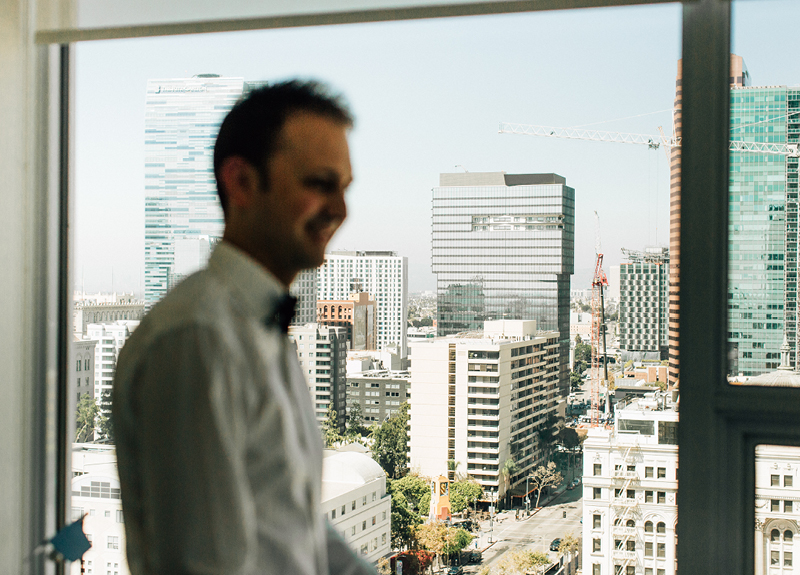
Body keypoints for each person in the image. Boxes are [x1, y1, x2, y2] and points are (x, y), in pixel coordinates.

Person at [113, 80, 375, 575]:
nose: (342, 210)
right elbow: (205, 565)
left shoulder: (259, 326)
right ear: (241, 182)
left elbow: (290, 525)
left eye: (344, 188)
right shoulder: (197, 340)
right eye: (320, 184)